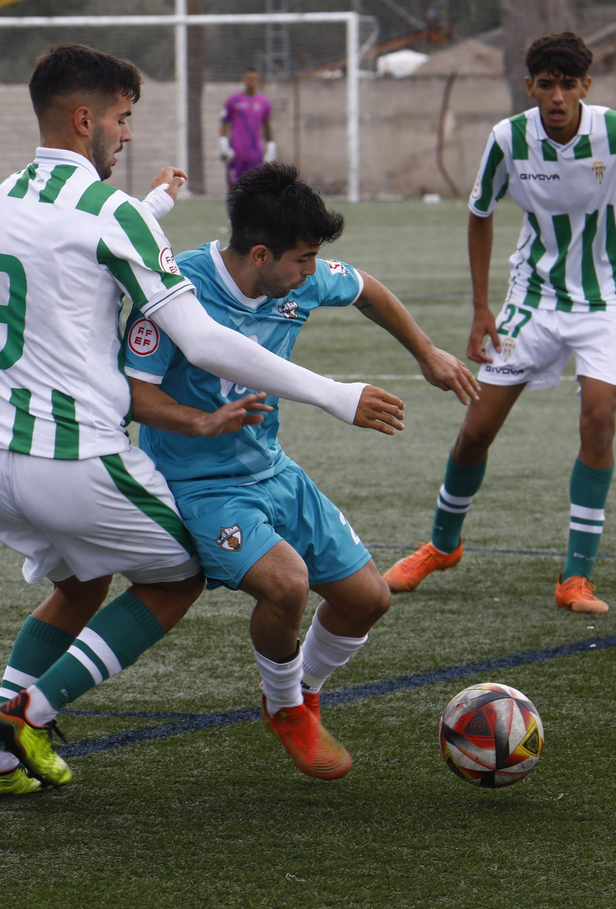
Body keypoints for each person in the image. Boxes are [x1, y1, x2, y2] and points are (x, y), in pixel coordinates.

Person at [0, 43, 405, 799]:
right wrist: (336, 394)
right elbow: (203, 342)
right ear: (84, 120)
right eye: (122, 118)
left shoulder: (8, 194)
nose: (127, 133)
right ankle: (28, 714)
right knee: (178, 576)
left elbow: (86, 233)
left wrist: (156, 207)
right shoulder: (113, 214)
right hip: (71, 456)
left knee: (80, 585)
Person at [122, 162, 478, 779]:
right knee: (287, 584)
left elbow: (364, 287)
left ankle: (300, 692)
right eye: (304, 260)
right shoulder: (175, 288)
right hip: (197, 484)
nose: (313, 272)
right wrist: (202, 423)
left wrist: (426, 353)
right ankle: (285, 706)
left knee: (367, 599)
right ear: (261, 255)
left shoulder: (296, 280)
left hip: (271, 469)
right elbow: (133, 395)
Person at [382, 32, 616, 614]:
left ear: (585, 87)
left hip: (608, 301)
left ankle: (575, 577)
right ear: (530, 87)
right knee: (476, 430)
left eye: (569, 85)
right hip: (532, 301)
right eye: (546, 85)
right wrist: (481, 308)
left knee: (598, 417)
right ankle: (442, 546)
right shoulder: (508, 139)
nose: (558, 97)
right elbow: (480, 213)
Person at [218, 67, 276, 187]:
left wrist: (271, 146)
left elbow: (267, 126)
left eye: (254, 79)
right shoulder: (233, 101)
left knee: (255, 186)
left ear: (258, 80)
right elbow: (224, 122)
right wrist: (223, 143)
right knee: (233, 187)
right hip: (236, 153)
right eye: (249, 79)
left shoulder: (264, 102)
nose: (251, 82)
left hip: (255, 154)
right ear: (243, 79)